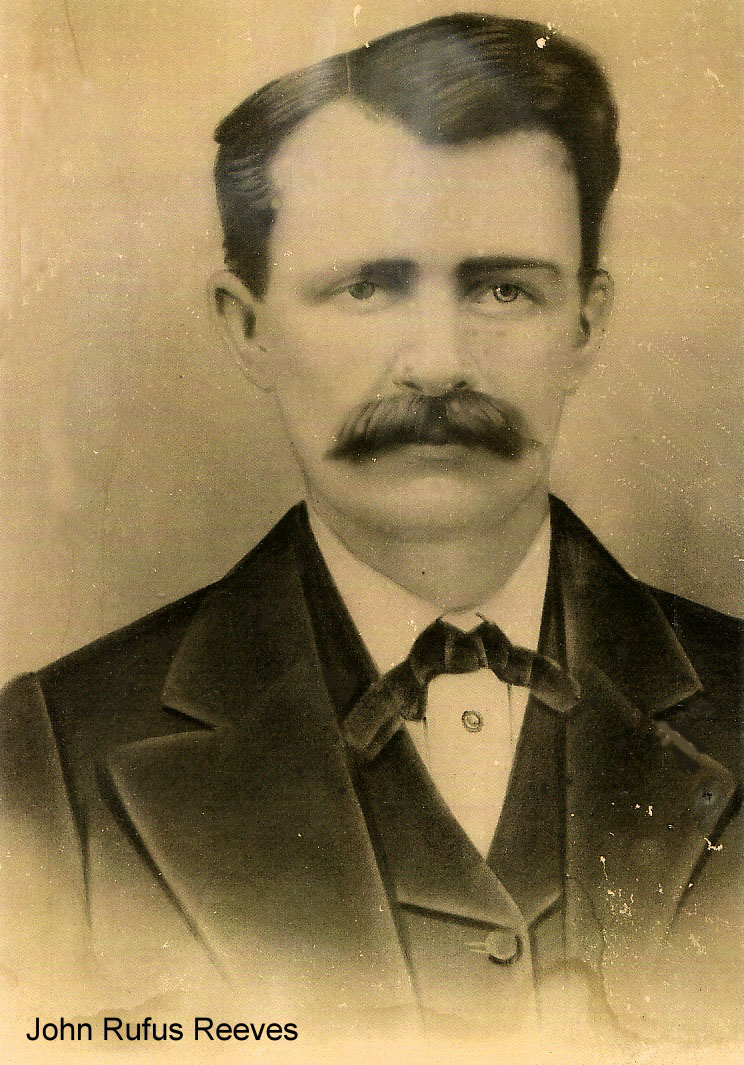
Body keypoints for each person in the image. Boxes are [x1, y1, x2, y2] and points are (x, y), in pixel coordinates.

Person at [1, 13, 740, 1047]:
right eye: (368, 286)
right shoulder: (49, 761)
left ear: (584, 323)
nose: (436, 363)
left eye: (502, 288)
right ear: (248, 327)